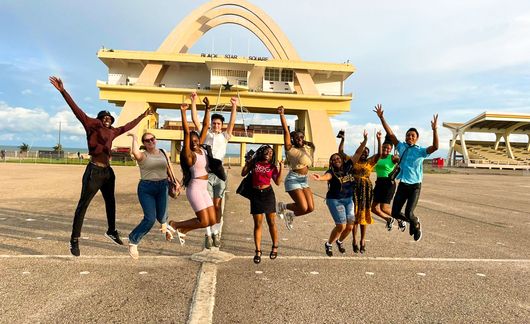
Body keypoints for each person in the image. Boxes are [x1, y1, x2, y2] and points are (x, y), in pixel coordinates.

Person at [49, 76, 152, 257]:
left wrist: (142, 116)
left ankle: (111, 230)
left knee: (111, 201)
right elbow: (76, 110)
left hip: (107, 172)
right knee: (83, 205)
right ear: (99, 119)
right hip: (94, 171)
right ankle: (74, 239)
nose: (107, 119)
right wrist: (63, 91)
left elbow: (127, 126)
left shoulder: (112, 130)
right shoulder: (91, 125)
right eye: (104, 117)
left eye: (109, 118)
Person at [374, 104, 439, 241]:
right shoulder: (401, 147)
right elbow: (391, 134)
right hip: (403, 184)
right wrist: (382, 118)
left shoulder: (420, 151)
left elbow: (435, 147)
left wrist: (434, 130)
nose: (410, 137)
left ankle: (415, 222)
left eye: (412, 135)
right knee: (396, 213)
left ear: (416, 138)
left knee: (409, 213)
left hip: (415, 186)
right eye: (408, 135)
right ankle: (413, 223)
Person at [191, 92, 237, 249]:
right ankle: (208, 233)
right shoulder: (206, 134)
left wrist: (234, 106)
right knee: (208, 206)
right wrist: (194, 101)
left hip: (220, 175)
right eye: (214, 123)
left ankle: (216, 232)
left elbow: (232, 122)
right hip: (206, 174)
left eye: (218, 123)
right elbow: (196, 120)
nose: (216, 125)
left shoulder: (225, 136)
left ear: (221, 125)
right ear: (210, 123)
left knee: (217, 206)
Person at [311, 130, 367, 256]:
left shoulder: (348, 166)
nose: (336, 160)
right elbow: (327, 177)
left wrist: (364, 141)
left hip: (349, 200)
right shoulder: (331, 172)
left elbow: (358, 153)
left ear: (341, 160)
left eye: (337, 158)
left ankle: (340, 241)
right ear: (331, 162)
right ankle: (329, 244)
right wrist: (320, 178)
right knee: (341, 226)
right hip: (335, 200)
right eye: (333, 159)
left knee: (350, 227)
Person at [126, 132, 181, 259]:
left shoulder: (163, 152)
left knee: (162, 217)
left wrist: (174, 181)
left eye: (152, 139)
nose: (151, 142)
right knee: (150, 218)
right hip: (146, 188)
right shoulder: (142, 155)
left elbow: (169, 167)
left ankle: (165, 227)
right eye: (147, 141)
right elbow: (135, 151)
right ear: (144, 144)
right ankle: (133, 240)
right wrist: (134, 137)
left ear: (155, 140)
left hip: (163, 186)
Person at [167, 103, 217, 242]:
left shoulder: (201, 149)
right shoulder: (188, 155)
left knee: (212, 219)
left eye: (196, 140)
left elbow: (206, 126)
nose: (194, 143)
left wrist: (208, 109)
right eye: (191, 141)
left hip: (204, 189)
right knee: (204, 221)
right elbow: (187, 132)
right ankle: (175, 225)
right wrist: (183, 112)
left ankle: (183, 229)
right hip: (195, 189)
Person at [338, 130, 380, 253]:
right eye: (362, 151)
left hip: (366, 191)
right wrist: (342, 140)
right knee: (354, 216)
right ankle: (354, 240)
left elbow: (380, 154)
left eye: (367, 152)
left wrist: (378, 139)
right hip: (353, 190)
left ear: (368, 154)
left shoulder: (370, 162)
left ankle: (363, 240)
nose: (364, 153)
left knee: (363, 216)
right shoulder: (353, 160)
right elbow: (341, 153)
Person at [241, 145, 284, 264]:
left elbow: (278, 182)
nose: (269, 153)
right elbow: (243, 173)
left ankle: (275, 246)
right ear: (261, 152)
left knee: (271, 222)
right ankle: (258, 251)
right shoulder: (255, 163)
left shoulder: (272, 167)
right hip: (255, 195)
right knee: (258, 224)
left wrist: (281, 168)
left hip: (268, 194)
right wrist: (248, 163)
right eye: (267, 151)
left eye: (271, 153)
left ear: (272, 156)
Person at [276, 106, 315, 230]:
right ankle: (282, 206)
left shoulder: (306, 149)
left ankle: (290, 215)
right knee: (303, 207)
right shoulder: (290, 149)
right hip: (293, 179)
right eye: (297, 138)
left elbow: (311, 145)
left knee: (311, 208)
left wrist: (308, 143)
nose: (300, 139)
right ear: (293, 139)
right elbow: (286, 131)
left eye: (302, 137)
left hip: (304, 180)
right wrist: (282, 115)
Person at [371, 136, 405, 232]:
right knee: (373, 208)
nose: (386, 149)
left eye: (388, 148)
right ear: (381, 147)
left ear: (391, 150)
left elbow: (403, 163)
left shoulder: (392, 158)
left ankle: (400, 219)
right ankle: (389, 219)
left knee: (384, 208)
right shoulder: (378, 157)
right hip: (379, 183)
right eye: (384, 147)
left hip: (388, 184)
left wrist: (396, 171)